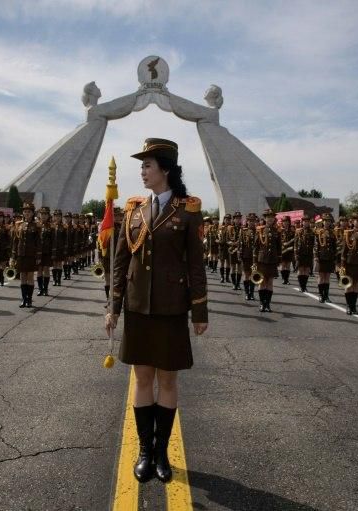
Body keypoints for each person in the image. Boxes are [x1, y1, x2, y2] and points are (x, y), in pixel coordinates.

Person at [105, 138, 208, 484]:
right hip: (137, 308)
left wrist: (200, 312)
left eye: (148, 165)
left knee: (167, 379)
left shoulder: (188, 210)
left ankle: (162, 451)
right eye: (142, 165)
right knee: (142, 378)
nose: (143, 170)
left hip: (170, 308)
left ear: (165, 169)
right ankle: (145, 451)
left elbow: (196, 264)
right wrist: (113, 307)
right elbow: (120, 262)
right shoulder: (133, 209)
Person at [12, 202, 41, 308]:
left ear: (33, 213)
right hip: (21, 254)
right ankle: (24, 299)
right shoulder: (18, 225)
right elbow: (16, 241)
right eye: (25, 211)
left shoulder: (37, 225)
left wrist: (38, 256)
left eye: (29, 212)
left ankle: (29, 299)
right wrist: (13, 255)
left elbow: (38, 242)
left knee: (30, 277)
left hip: (31, 254)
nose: (26, 213)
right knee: (22, 277)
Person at [340, 213, 358, 315]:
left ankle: (354, 306)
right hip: (349, 263)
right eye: (357, 220)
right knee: (348, 285)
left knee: (356, 285)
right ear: (352, 222)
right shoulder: (347, 233)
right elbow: (344, 251)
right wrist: (342, 266)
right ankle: (348, 306)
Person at [253, 208, 282, 312]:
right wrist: (254, 261)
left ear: (274, 219)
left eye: (272, 217)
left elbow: (279, 247)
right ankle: (261, 303)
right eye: (268, 217)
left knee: (270, 282)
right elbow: (256, 247)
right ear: (265, 218)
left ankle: (267, 304)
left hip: (272, 260)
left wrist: (279, 259)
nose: (270, 219)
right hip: (262, 260)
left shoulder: (277, 231)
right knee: (262, 281)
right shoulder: (260, 230)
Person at [100, 207, 124, 301]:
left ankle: (116, 301)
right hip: (107, 257)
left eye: (119, 216)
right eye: (115, 216)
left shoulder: (123, 227)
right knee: (108, 280)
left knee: (117, 281)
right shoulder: (106, 228)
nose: (117, 218)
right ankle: (108, 300)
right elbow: (101, 243)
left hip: (118, 258)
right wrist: (100, 256)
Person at [313, 213, 337, 303]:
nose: (327, 223)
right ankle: (320, 294)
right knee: (321, 276)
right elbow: (316, 245)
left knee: (327, 277)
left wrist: (334, 257)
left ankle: (326, 295)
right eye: (325, 221)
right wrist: (316, 256)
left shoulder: (333, 233)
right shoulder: (318, 232)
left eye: (329, 221)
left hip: (330, 257)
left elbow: (334, 246)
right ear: (323, 222)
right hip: (321, 256)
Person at [294, 215, 315, 293]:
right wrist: (296, 254)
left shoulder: (312, 232)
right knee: (300, 269)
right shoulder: (298, 231)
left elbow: (314, 243)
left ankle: (304, 286)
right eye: (304, 221)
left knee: (306, 270)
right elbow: (295, 243)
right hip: (300, 253)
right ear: (302, 222)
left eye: (307, 222)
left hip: (308, 253)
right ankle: (301, 286)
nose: (306, 223)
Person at [239, 212, 258, 300]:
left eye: (253, 221)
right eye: (250, 221)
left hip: (255, 258)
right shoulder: (243, 231)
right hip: (246, 256)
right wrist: (240, 255)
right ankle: (247, 293)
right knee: (246, 275)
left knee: (253, 274)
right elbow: (240, 244)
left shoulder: (258, 231)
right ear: (247, 221)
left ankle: (252, 292)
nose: (251, 222)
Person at [227, 212, 243, 290]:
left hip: (240, 250)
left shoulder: (243, 228)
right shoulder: (230, 228)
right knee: (233, 267)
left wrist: (239, 243)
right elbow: (227, 240)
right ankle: (234, 284)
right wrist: (232, 243)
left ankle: (238, 283)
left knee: (239, 268)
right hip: (232, 250)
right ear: (233, 219)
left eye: (239, 218)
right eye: (236, 218)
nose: (238, 220)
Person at [51, 209, 67, 286]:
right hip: (53, 248)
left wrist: (65, 249)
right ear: (53, 217)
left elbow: (66, 239)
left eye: (59, 216)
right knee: (54, 264)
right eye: (56, 216)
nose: (57, 218)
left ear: (61, 217)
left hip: (61, 248)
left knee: (59, 264)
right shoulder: (51, 226)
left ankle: (59, 280)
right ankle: (54, 279)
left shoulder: (64, 226)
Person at [278, 215, 295, 285]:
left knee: (288, 265)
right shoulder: (280, 230)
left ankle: (286, 279)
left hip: (289, 249)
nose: (286, 223)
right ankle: (283, 278)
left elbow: (294, 240)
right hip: (282, 250)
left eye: (287, 221)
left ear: (289, 222)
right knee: (283, 265)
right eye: (284, 221)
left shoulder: (292, 230)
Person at [217, 213, 232, 283]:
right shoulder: (220, 228)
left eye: (229, 219)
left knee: (228, 263)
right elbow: (217, 237)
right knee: (222, 263)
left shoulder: (232, 228)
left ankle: (227, 277)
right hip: (222, 247)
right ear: (224, 220)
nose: (227, 221)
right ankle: (222, 277)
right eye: (226, 219)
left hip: (229, 248)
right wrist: (218, 241)